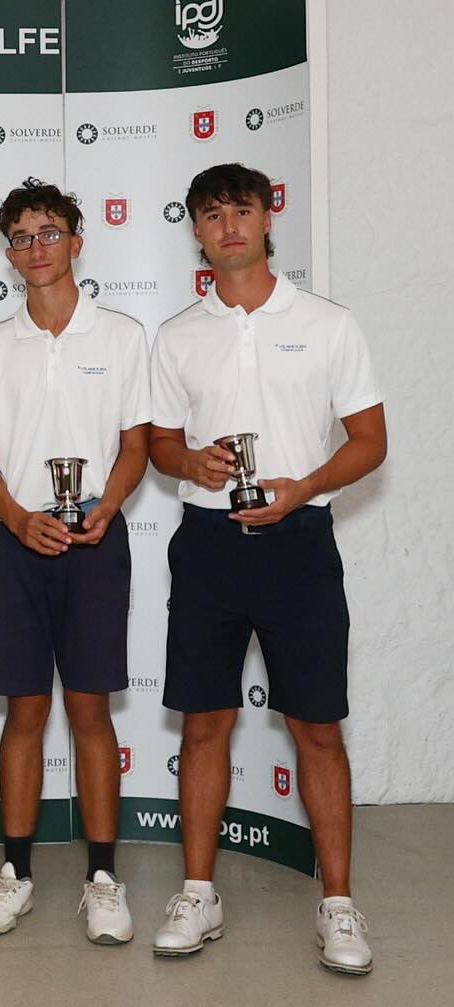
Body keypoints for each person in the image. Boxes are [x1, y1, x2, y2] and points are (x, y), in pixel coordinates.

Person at [148, 163, 385, 974]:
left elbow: (369, 440)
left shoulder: (326, 322)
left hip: (299, 541)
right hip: (208, 543)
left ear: (266, 215)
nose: (228, 226)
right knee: (206, 720)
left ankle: (340, 904)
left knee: (317, 725)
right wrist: (196, 462)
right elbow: (158, 443)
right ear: (197, 232)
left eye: (239, 210)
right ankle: (198, 890)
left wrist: (304, 486)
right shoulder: (178, 332)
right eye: (210, 216)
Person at [0, 179, 149, 943]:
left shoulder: (122, 335)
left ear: (77, 240)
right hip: (15, 543)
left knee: (90, 710)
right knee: (24, 712)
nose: (35, 248)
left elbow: (136, 444)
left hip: (97, 540)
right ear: (8, 253)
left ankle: (104, 879)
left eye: (49, 233)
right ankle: (15, 875)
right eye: (21, 236)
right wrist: (16, 518)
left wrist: (107, 502)